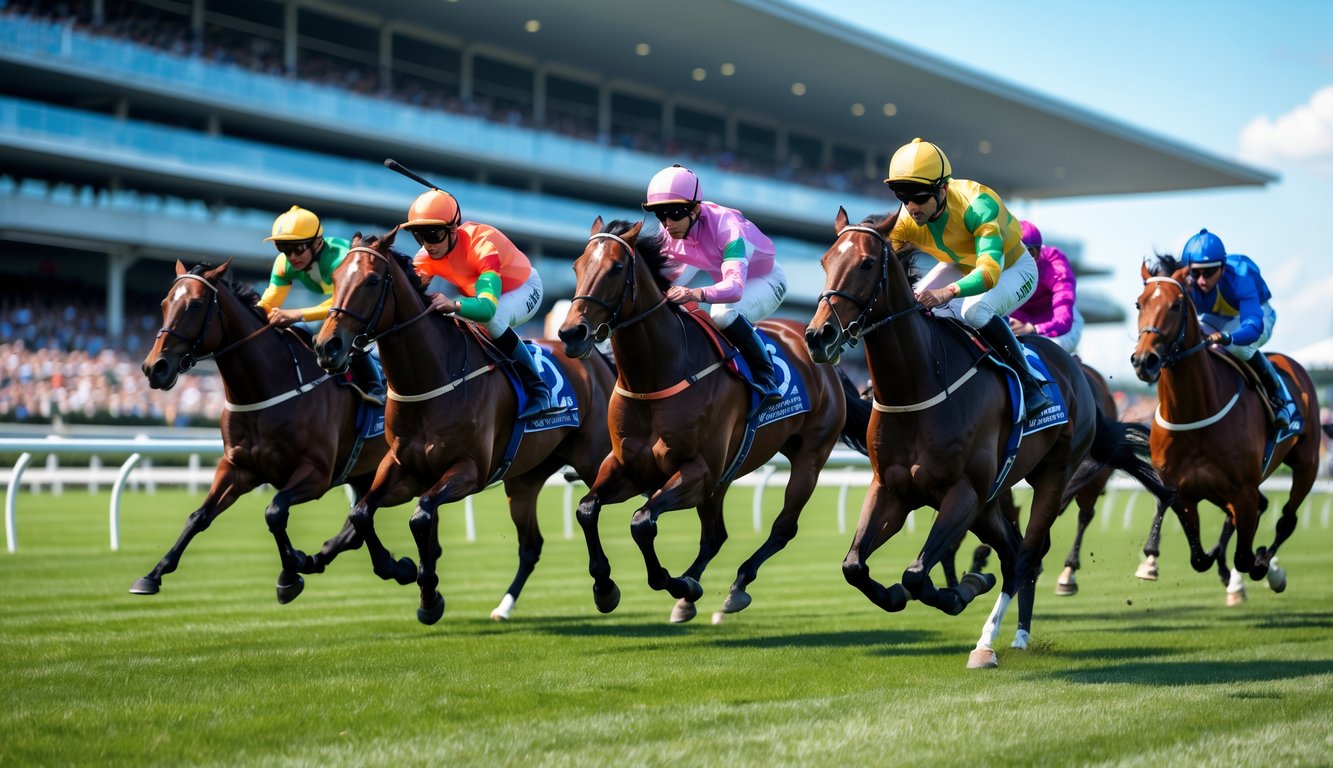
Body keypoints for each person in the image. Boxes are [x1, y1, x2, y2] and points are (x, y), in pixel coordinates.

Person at [884, 138, 1052, 418]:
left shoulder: (979, 205)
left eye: (919, 197)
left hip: (1012, 268)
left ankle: (1029, 384)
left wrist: (947, 292)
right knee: (911, 307)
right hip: (960, 265)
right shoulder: (906, 221)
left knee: (974, 312)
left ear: (942, 190)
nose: (912, 207)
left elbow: (989, 273)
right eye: (903, 197)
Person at [641, 164, 787, 416]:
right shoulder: (671, 233)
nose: (667, 224)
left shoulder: (729, 228)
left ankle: (767, 378)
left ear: (695, 209)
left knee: (722, 315)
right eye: (661, 215)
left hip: (767, 281)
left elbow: (735, 288)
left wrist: (693, 294)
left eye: (674, 213)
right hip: (727, 279)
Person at [399, 188, 556, 420]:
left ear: (453, 230)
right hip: (482, 297)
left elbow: (487, 309)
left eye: (432, 235)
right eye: (419, 237)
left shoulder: (481, 246)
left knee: (493, 318)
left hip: (523, 288)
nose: (427, 245)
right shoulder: (427, 255)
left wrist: (454, 305)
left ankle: (538, 388)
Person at [258, 205, 385, 404]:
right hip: (338, 302)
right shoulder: (283, 264)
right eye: (283, 248)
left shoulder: (338, 259)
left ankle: (375, 386)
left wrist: (297, 314)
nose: (292, 256)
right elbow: (268, 303)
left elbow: (343, 304)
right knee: (296, 330)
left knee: (347, 332)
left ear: (317, 244)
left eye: (298, 248)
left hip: (361, 301)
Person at [1181, 228, 1301, 431]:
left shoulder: (1240, 277)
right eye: (1195, 272)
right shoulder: (1190, 283)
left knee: (1236, 347)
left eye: (1208, 272)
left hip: (1258, 316)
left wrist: (1228, 338)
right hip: (1219, 317)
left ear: (1222, 267)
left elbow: (1253, 326)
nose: (1201, 280)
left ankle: (1282, 398)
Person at [1008, 220, 1084, 354]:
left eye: (1028, 253)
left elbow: (1063, 320)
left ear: (1036, 252)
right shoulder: (1000, 266)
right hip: (1021, 325)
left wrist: (1033, 329)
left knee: (1047, 350)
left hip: (1061, 328)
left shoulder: (1055, 265)